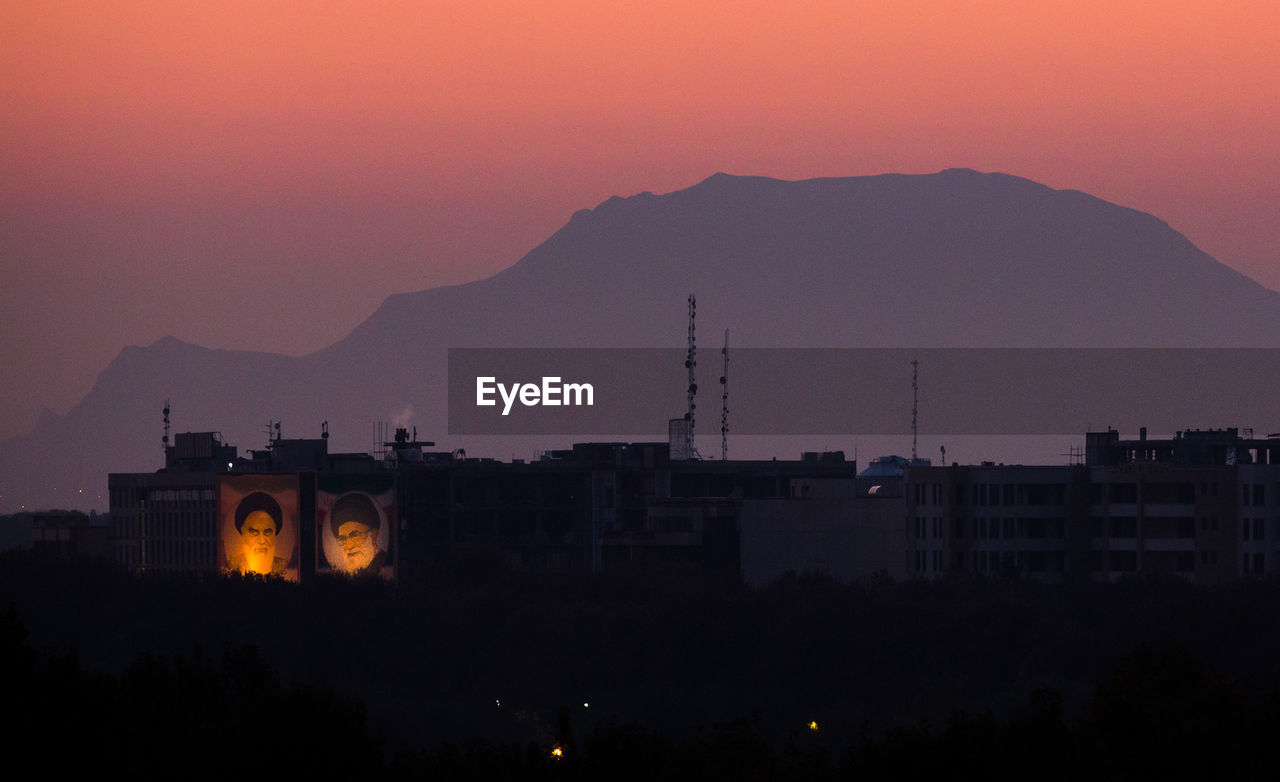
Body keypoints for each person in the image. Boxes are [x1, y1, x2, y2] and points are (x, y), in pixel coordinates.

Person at [227, 492, 289, 576]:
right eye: (254, 533)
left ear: (275, 534)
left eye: (267, 533)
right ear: (243, 535)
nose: (262, 540)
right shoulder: (232, 567)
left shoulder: (285, 568)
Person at [329, 492, 386, 575]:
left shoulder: (385, 566)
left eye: (354, 535)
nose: (349, 546)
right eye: (343, 539)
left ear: (374, 534)